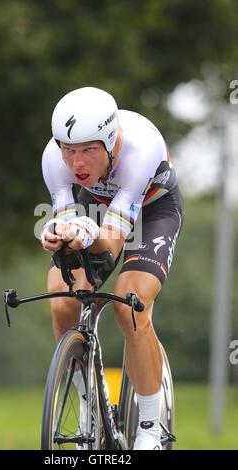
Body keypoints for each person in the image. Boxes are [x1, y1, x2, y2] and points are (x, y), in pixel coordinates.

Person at [40, 86, 184, 450]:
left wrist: (87, 232)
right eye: (69, 150)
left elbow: (112, 241)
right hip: (98, 205)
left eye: (89, 150)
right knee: (61, 299)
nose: (77, 163)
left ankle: (150, 427)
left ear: (110, 140)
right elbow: (68, 216)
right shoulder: (53, 159)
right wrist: (58, 233)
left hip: (153, 208)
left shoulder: (139, 151)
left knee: (129, 302)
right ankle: (90, 403)